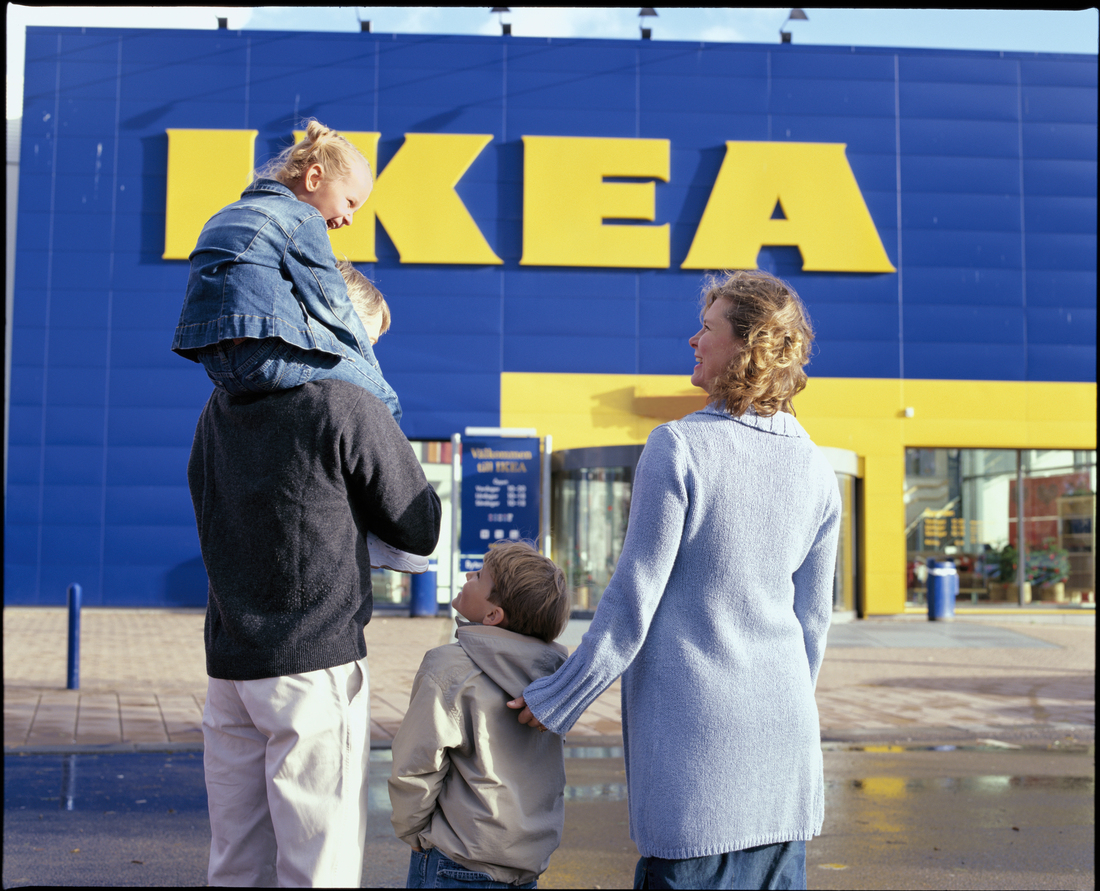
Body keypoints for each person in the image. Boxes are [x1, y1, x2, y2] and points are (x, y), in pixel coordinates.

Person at [509, 269, 842, 891]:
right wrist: (781, 712)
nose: (693, 340)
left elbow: (633, 598)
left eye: (707, 328)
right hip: (786, 750)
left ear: (746, 347)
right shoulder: (818, 470)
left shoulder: (680, 447)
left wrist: (559, 699)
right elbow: (813, 625)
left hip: (699, 755)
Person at [189, 286, 442, 888]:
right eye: (369, 340)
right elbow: (420, 523)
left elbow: (203, 492)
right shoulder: (345, 400)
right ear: (339, 322)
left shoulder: (223, 401)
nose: (369, 357)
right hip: (313, 661)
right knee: (318, 868)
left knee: (235, 863)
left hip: (229, 662)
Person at [173, 120, 425, 573]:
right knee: (383, 401)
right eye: (350, 202)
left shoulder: (227, 214)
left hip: (216, 361)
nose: (348, 219)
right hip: (263, 356)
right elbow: (333, 305)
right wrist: (364, 367)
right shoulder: (301, 219)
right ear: (313, 178)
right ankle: (382, 536)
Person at [389, 540, 572, 889]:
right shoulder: (556, 676)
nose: (468, 575)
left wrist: (412, 829)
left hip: (457, 858)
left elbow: (417, 762)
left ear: (493, 616)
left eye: (479, 576)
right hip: (525, 865)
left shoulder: (450, 667)